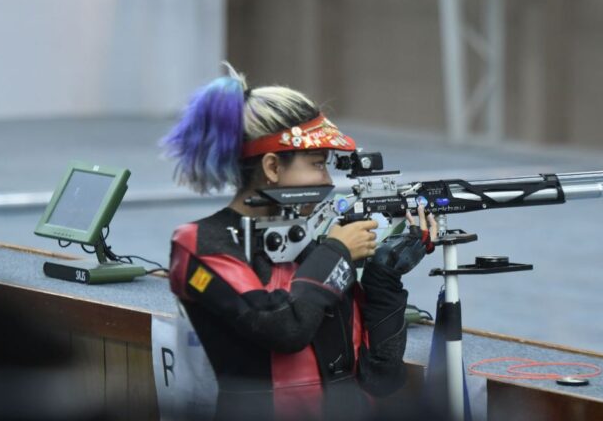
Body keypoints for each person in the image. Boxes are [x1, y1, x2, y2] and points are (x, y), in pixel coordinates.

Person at [162, 65, 437, 420]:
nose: (326, 179)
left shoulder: (312, 247)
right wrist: (337, 253)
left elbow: (380, 376)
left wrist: (383, 280)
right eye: (317, 164)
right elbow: (284, 328)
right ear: (273, 167)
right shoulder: (201, 244)